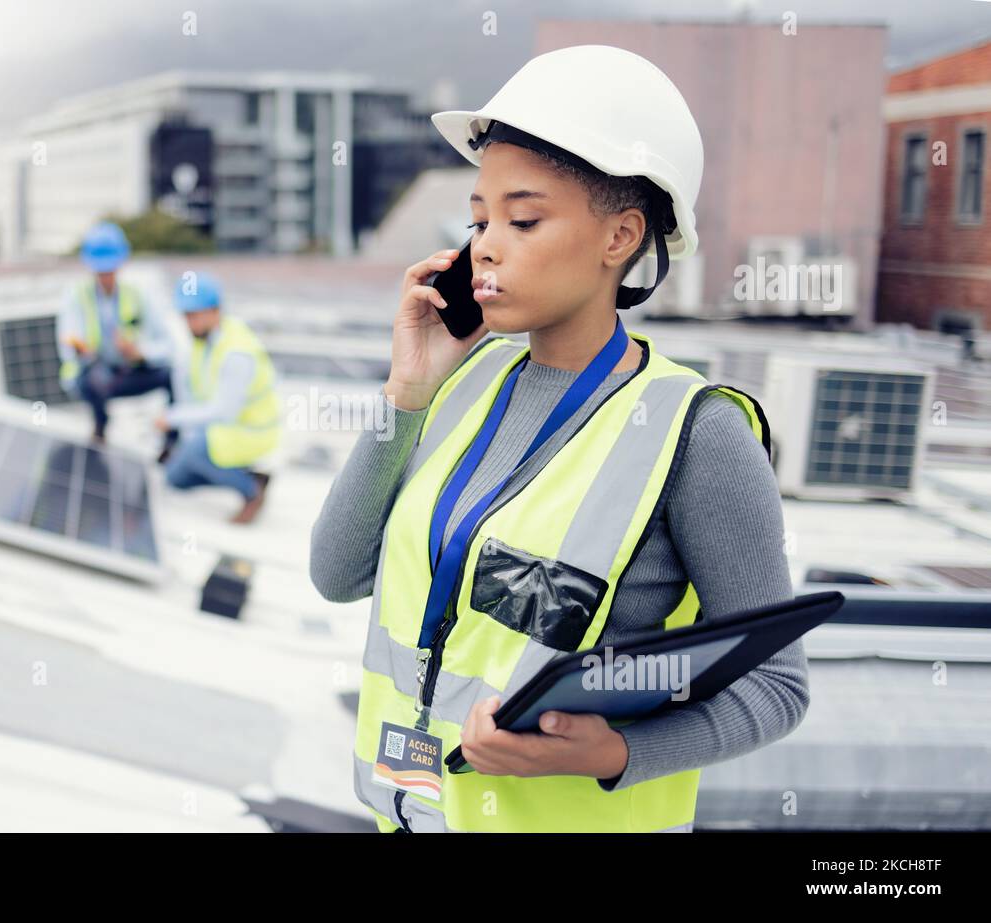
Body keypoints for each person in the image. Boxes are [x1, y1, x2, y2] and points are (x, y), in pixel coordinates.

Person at [309, 45, 810, 833]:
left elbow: (775, 688)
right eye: (478, 220)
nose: (486, 246)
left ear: (620, 237)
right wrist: (404, 393)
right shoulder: (460, 383)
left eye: (523, 218)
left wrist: (611, 753)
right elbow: (336, 572)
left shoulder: (698, 434)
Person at [157, 271, 282, 524]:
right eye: (185, 317)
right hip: (224, 429)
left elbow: (224, 411)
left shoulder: (237, 351)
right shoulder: (203, 342)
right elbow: (192, 392)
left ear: (215, 312)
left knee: (193, 453)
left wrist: (173, 419)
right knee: (174, 479)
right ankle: (249, 474)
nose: (188, 323)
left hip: (251, 431)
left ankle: (251, 491)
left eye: (193, 316)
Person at [56, 221, 177, 447]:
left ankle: (171, 439)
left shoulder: (138, 294)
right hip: (94, 375)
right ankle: (100, 428)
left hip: (128, 371)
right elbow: (67, 347)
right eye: (100, 271)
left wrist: (141, 353)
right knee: (92, 378)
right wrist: (85, 352)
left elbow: (168, 345)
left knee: (173, 373)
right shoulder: (76, 296)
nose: (105, 276)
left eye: (109, 269)